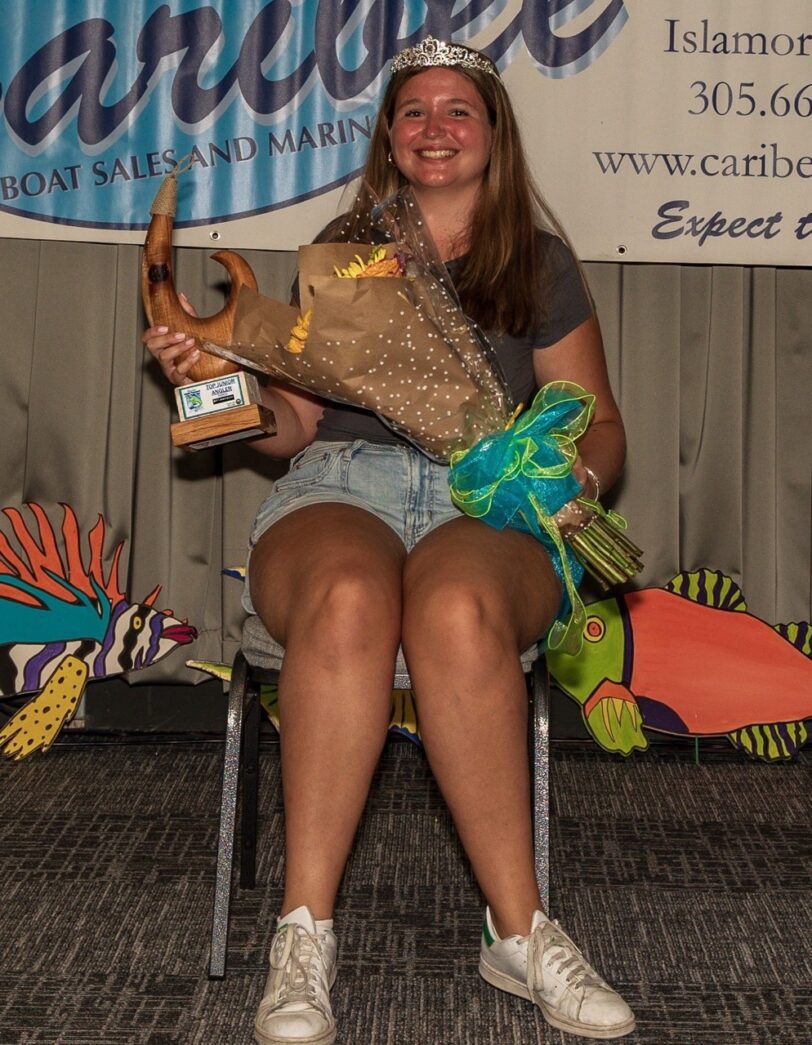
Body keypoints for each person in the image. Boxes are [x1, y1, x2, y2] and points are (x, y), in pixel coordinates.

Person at [144, 36, 634, 1045]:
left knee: (454, 609)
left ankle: (520, 929)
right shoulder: (348, 250)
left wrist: (563, 480)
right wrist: (201, 371)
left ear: (492, 135)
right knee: (349, 600)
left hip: (481, 510)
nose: (434, 128)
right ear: (388, 137)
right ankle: (303, 934)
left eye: (457, 110)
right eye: (413, 111)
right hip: (341, 484)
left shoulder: (537, 263)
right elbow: (286, 422)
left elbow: (602, 428)